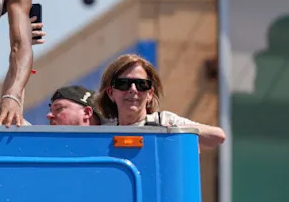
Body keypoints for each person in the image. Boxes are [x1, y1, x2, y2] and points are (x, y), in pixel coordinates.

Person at [96, 54, 226, 148]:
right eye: (123, 84)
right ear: (111, 93)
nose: (133, 89)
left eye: (141, 84)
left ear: (150, 94)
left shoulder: (164, 121)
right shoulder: (101, 133)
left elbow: (218, 137)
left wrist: (173, 132)